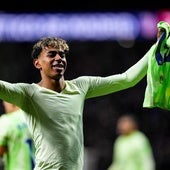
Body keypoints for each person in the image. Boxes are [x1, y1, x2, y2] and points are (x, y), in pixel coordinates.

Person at [0, 23, 164, 170]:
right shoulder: (28, 94)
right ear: (37, 63)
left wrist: (156, 47)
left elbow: (127, 79)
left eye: (62, 55)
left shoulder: (81, 86)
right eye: (51, 54)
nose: (59, 58)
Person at [0, 101, 35, 170]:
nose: (3, 104)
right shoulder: (33, 117)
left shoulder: (6, 121)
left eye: (4, 101)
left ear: (10, 101)